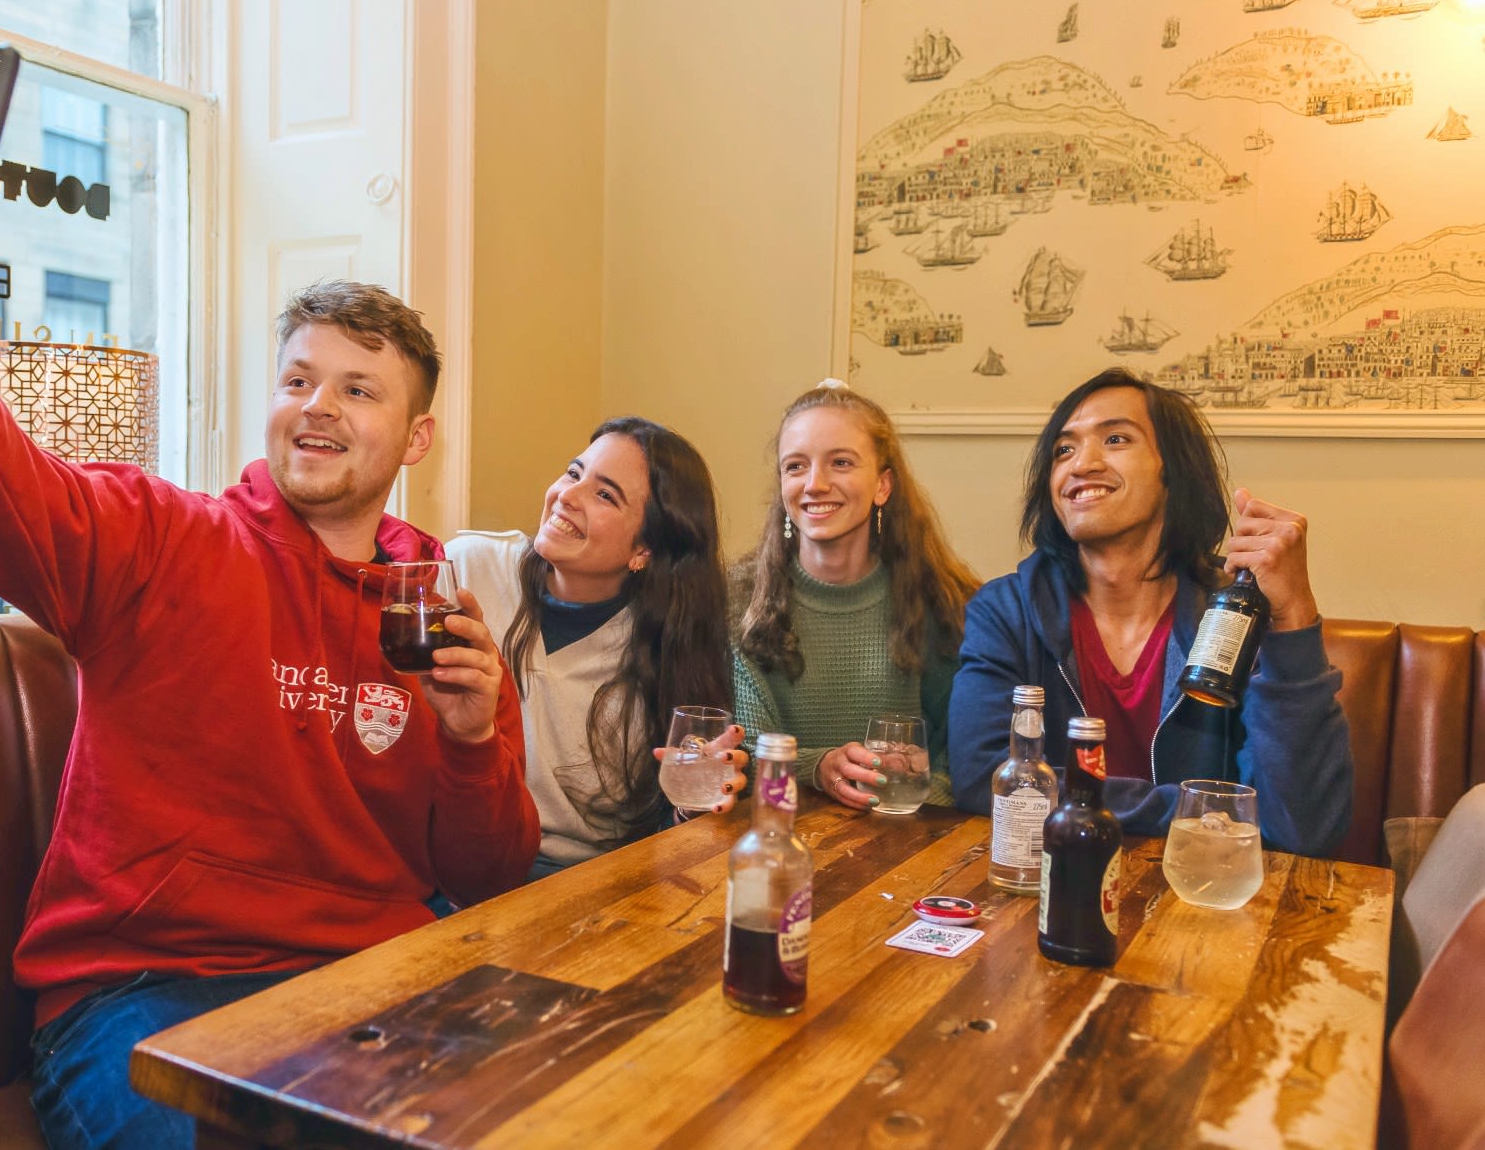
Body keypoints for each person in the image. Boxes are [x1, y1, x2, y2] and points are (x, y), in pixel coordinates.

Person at [0, 61, 539, 1150]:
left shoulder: (437, 609)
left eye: (358, 388)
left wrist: (475, 746)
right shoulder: (161, 540)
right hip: (145, 995)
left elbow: (484, 875)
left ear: (417, 438)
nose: (317, 409)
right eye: (298, 381)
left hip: (371, 983)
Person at [948, 368, 1352, 855]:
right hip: (1052, 885)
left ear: (1172, 470)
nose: (1080, 465)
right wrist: (1200, 813)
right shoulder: (1006, 611)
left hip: (1203, 897)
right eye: (1064, 449)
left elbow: (1303, 826)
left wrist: (1294, 617)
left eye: (1115, 438)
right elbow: (984, 778)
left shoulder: (1234, 616)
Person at [448, 418, 745, 878]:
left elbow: (665, 835)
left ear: (644, 550)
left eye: (605, 494)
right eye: (573, 472)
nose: (567, 495)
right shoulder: (468, 570)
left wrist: (693, 800)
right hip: (457, 867)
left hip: (588, 885)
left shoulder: (669, 651)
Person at [731, 381, 980, 809]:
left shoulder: (938, 600)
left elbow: (961, 750)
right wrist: (819, 766)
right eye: (795, 466)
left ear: (883, 486)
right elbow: (746, 754)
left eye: (841, 463)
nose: (815, 484)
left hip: (904, 843)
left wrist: (911, 799)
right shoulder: (738, 601)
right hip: (779, 837)